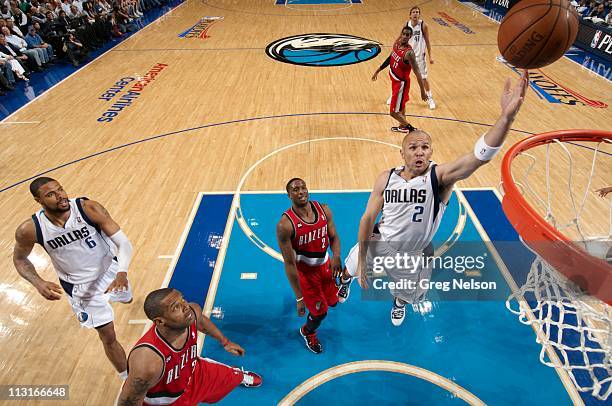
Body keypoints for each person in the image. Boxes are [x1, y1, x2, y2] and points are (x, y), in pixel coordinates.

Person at [337, 71, 529, 326]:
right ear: (402, 153)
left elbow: (476, 158)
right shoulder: (386, 178)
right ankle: (345, 281)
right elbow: (368, 217)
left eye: (424, 147)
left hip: (413, 253)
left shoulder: (440, 178)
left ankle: (397, 304)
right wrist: (362, 260)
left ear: (431, 152)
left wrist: (506, 118)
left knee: (406, 293)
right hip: (380, 241)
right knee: (350, 267)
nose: (419, 152)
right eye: (413, 148)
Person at [13, 177, 134, 379]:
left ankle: (123, 297)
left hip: (112, 272)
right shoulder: (31, 229)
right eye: (51, 194)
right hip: (81, 288)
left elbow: (124, 243)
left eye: (60, 189)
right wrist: (38, 282)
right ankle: (128, 379)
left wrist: (122, 272)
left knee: (127, 298)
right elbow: (19, 259)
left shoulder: (88, 208)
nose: (60, 195)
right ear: (38, 200)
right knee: (108, 336)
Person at [118, 288, 261, 406]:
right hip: (167, 402)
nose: (186, 306)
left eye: (182, 299)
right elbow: (128, 402)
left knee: (230, 375)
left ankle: (240, 377)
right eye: (176, 307)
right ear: (160, 321)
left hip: (193, 373)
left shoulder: (190, 314)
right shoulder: (148, 361)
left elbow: (201, 322)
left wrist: (225, 342)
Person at [276, 178, 343, 354]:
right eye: (295, 189)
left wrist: (336, 256)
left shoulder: (324, 209)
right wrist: (299, 298)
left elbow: (334, 237)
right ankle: (308, 332)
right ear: (289, 195)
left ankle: (334, 290)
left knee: (334, 302)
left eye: (303, 187)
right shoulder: (285, 225)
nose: (301, 192)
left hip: (325, 266)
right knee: (320, 314)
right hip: (306, 274)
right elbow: (289, 264)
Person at [372, 25, 427, 134]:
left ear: (410, 36)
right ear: (401, 34)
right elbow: (390, 58)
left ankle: (411, 129)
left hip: (401, 83)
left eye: (408, 35)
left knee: (393, 112)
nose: (405, 36)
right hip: (395, 80)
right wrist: (378, 70)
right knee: (401, 105)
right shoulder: (397, 44)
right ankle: (402, 126)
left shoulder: (409, 53)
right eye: (404, 34)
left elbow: (417, 73)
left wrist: (422, 91)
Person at [406, 6, 436, 109]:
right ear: (410, 15)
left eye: (417, 12)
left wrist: (430, 56)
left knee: (423, 78)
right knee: (401, 77)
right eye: (413, 12)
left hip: (419, 57)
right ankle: (394, 96)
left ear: (419, 14)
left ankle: (430, 98)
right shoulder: (407, 25)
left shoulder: (423, 25)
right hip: (408, 56)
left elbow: (427, 41)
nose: (415, 14)